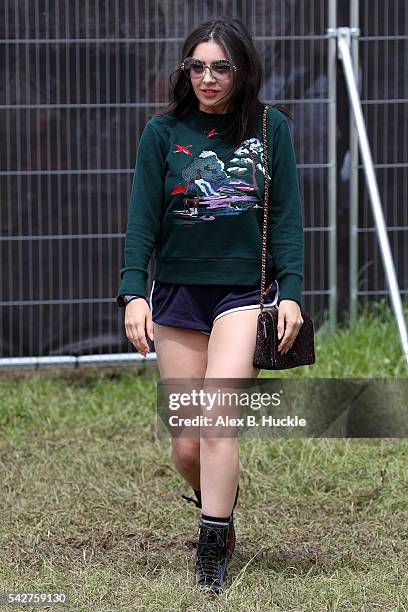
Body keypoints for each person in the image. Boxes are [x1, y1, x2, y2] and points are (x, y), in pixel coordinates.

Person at [116, 16, 304, 595]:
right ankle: (217, 497)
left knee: (219, 424)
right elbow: (142, 219)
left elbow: (288, 218)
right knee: (187, 442)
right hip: (177, 294)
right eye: (197, 65)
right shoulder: (161, 133)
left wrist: (291, 288)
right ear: (185, 70)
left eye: (220, 66)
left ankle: (213, 544)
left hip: (244, 293)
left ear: (242, 69)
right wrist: (132, 293)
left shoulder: (272, 129)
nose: (208, 77)